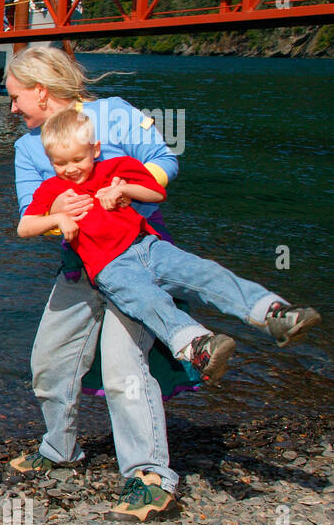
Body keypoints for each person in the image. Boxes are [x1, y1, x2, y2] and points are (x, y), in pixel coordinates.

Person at [7, 46, 191, 523]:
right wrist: (57, 217)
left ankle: (151, 478)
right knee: (48, 362)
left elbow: (164, 161)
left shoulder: (116, 115)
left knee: (124, 368)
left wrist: (122, 193)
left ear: (41, 92)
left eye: (16, 97)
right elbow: (31, 212)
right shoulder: (27, 148)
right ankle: (59, 449)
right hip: (81, 266)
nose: (12, 108)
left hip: (136, 260)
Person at [21, 108, 320, 383]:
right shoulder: (53, 189)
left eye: (77, 159)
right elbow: (25, 227)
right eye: (59, 163)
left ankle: (272, 313)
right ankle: (197, 346)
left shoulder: (115, 168)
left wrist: (124, 188)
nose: (70, 169)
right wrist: (57, 217)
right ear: (50, 160)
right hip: (110, 267)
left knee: (205, 273)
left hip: (149, 246)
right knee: (147, 301)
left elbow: (155, 193)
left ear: (95, 149)